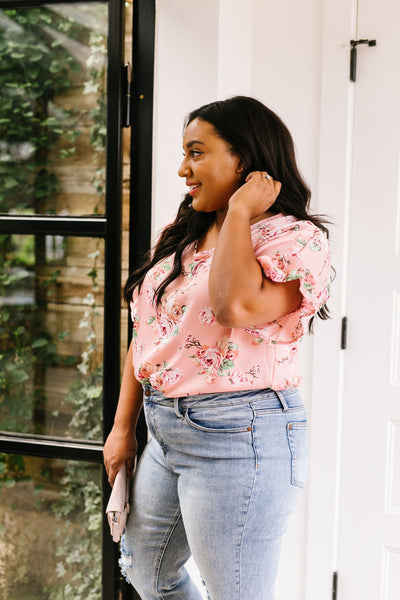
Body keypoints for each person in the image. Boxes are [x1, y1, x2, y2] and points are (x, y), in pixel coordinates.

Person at [103, 96, 331, 600]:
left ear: (244, 162)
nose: (184, 169)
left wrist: (242, 212)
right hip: (165, 430)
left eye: (197, 152)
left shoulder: (296, 240)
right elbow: (147, 331)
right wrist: (123, 428)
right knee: (147, 572)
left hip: (241, 435)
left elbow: (235, 307)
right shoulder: (182, 235)